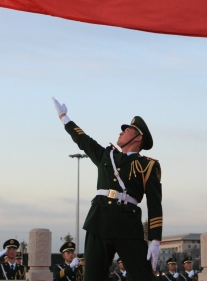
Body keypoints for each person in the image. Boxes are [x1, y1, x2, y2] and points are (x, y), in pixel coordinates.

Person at [52, 99, 162, 281]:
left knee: (143, 276)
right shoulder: (107, 155)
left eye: (126, 130)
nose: (121, 132)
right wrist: (64, 118)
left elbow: (154, 203)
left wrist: (155, 239)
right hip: (99, 221)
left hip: (127, 224)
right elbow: (83, 140)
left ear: (138, 137)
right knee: (93, 277)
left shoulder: (148, 166)